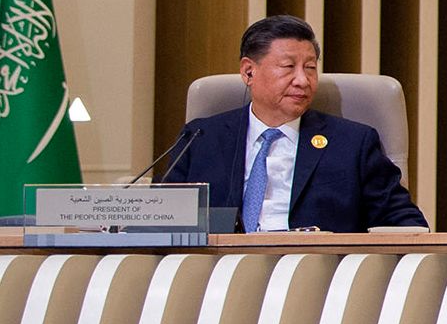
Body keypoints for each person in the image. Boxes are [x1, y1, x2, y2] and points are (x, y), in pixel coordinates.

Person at [163, 14, 426, 232]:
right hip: (221, 270)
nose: (302, 80)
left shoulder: (353, 144)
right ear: (248, 71)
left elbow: (406, 225)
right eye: (288, 67)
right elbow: (161, 221)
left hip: (314, 270)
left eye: (310, 68)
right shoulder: (201, 138)